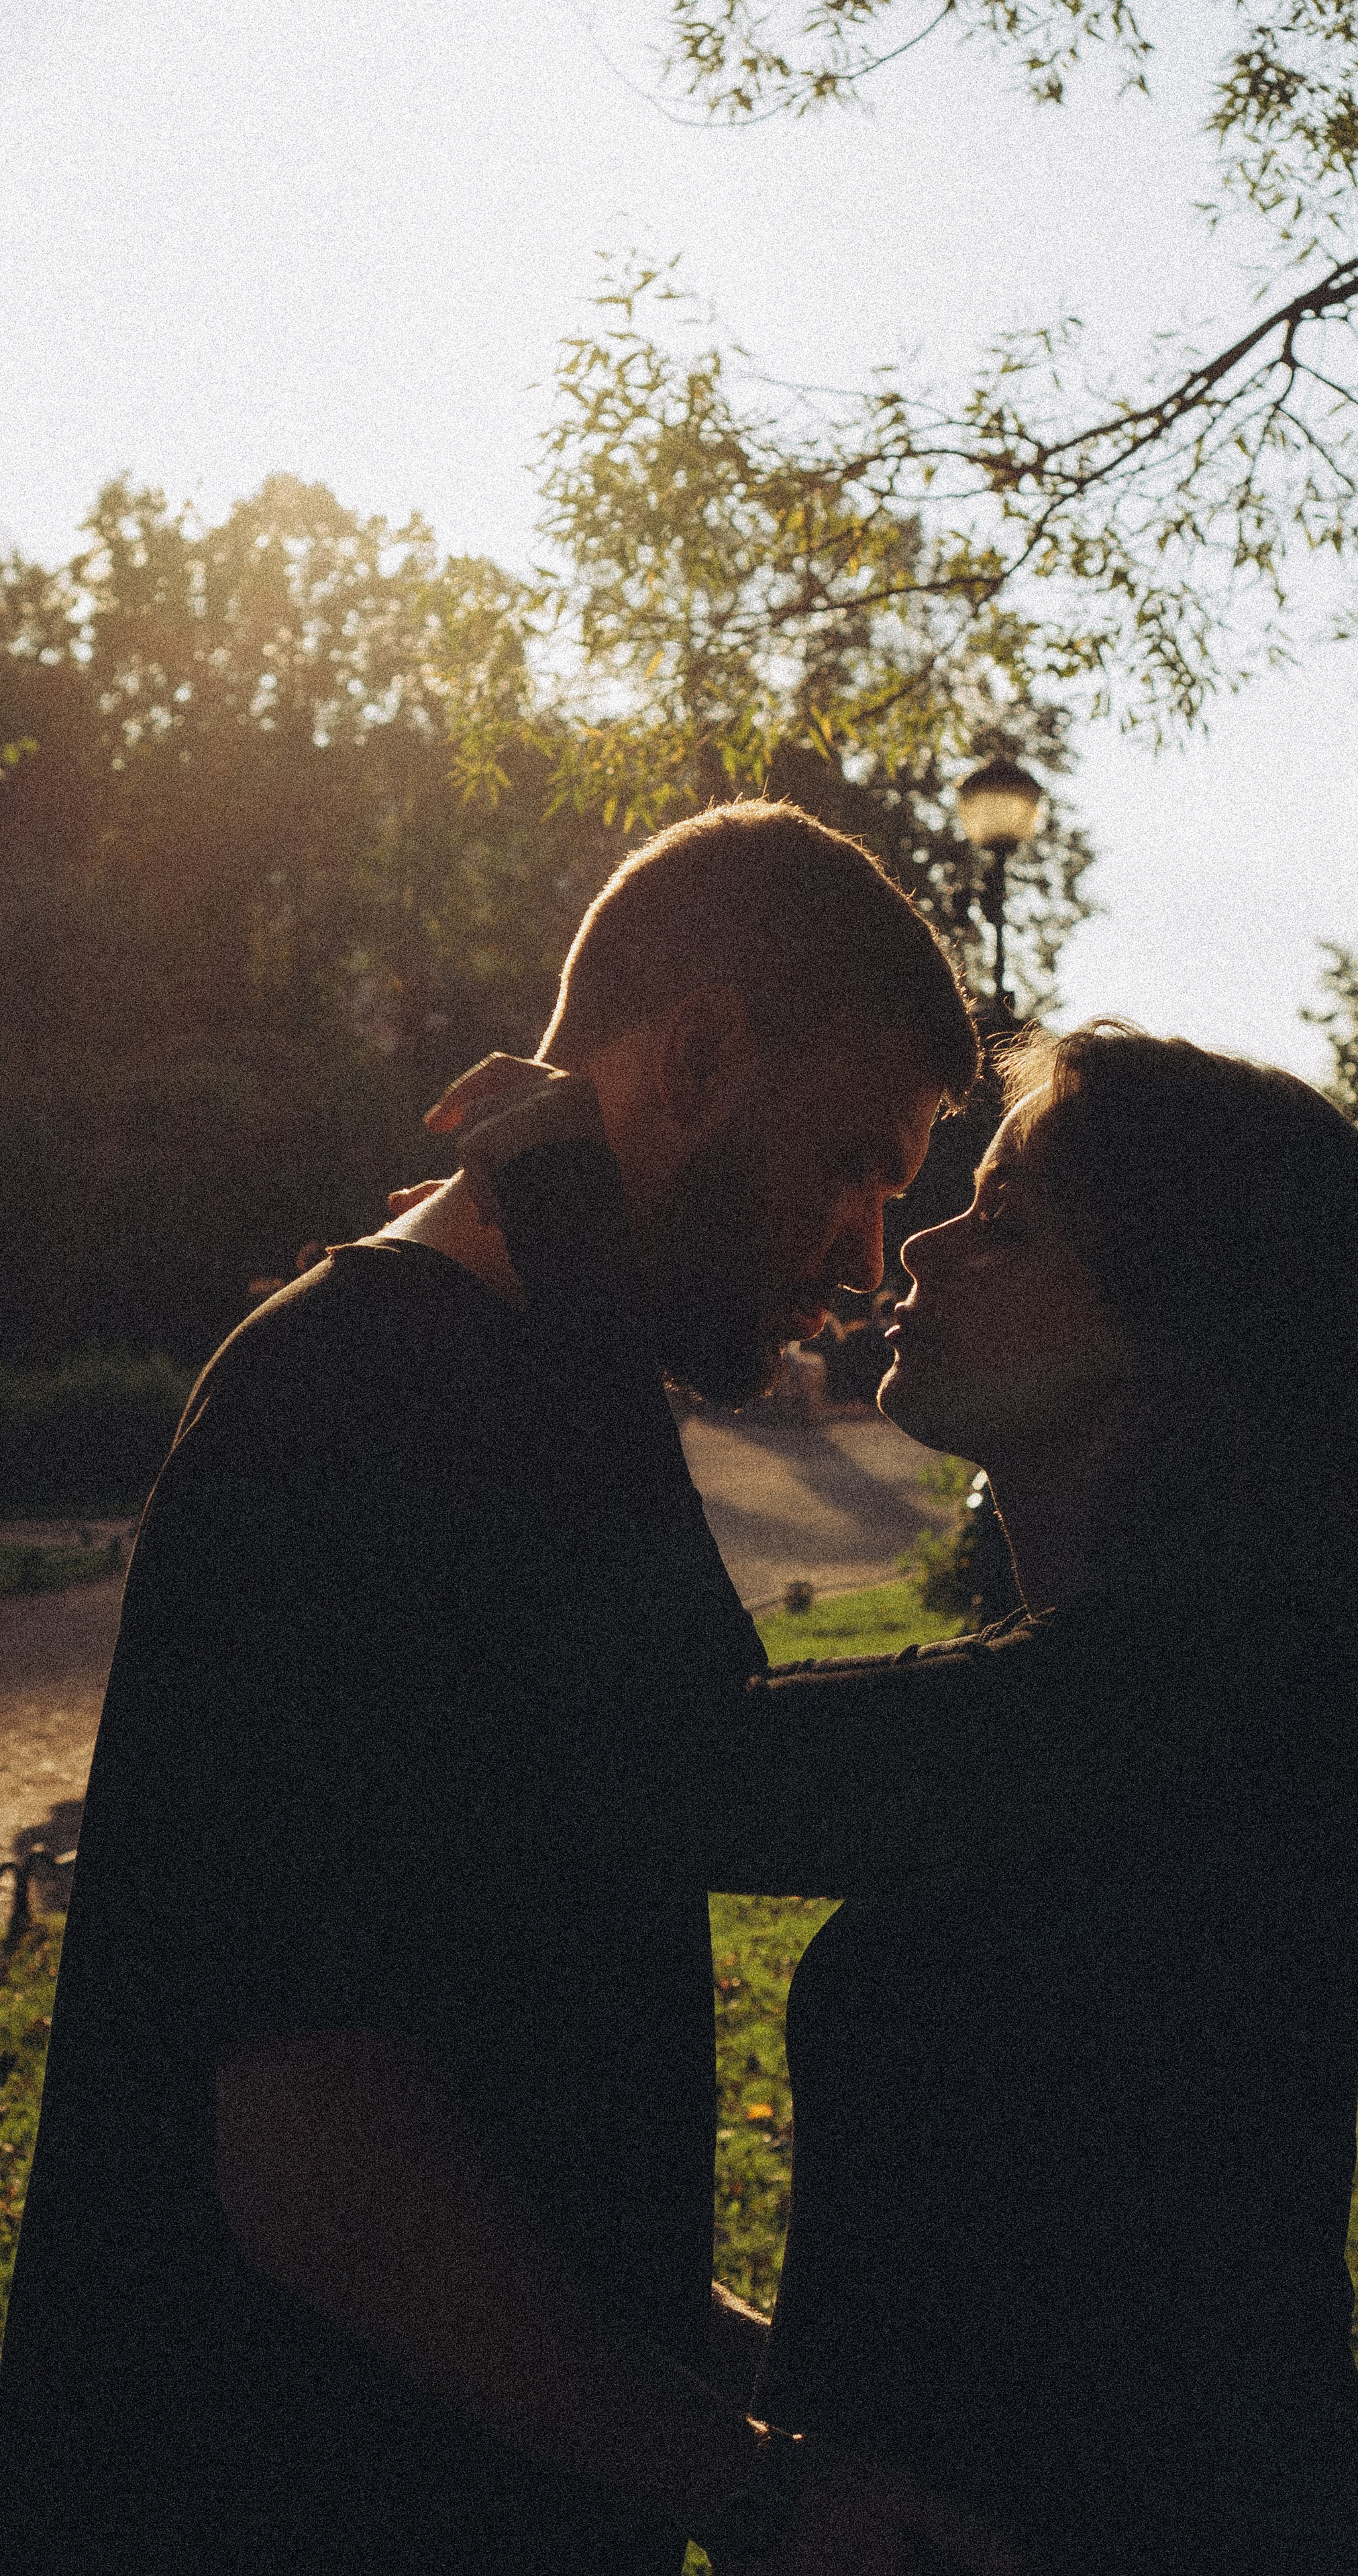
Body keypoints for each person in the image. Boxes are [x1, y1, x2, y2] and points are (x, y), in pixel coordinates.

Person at [0, 802, 1013, 2576]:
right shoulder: (354, 1396)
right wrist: (758, 2495)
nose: (866, 1261)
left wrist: (787, 2407)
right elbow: (327, 2164)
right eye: (858, 1159)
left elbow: (519, 2127)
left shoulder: (544, 1408)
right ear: (696, 1055)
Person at [733, 1022, 1358, 2573]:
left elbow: (690, 1767)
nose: (924, 1238)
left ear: (1176, 1330)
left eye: (1002, 1226)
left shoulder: (1202, 1691)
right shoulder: (1133, 1675)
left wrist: (577, 1292)